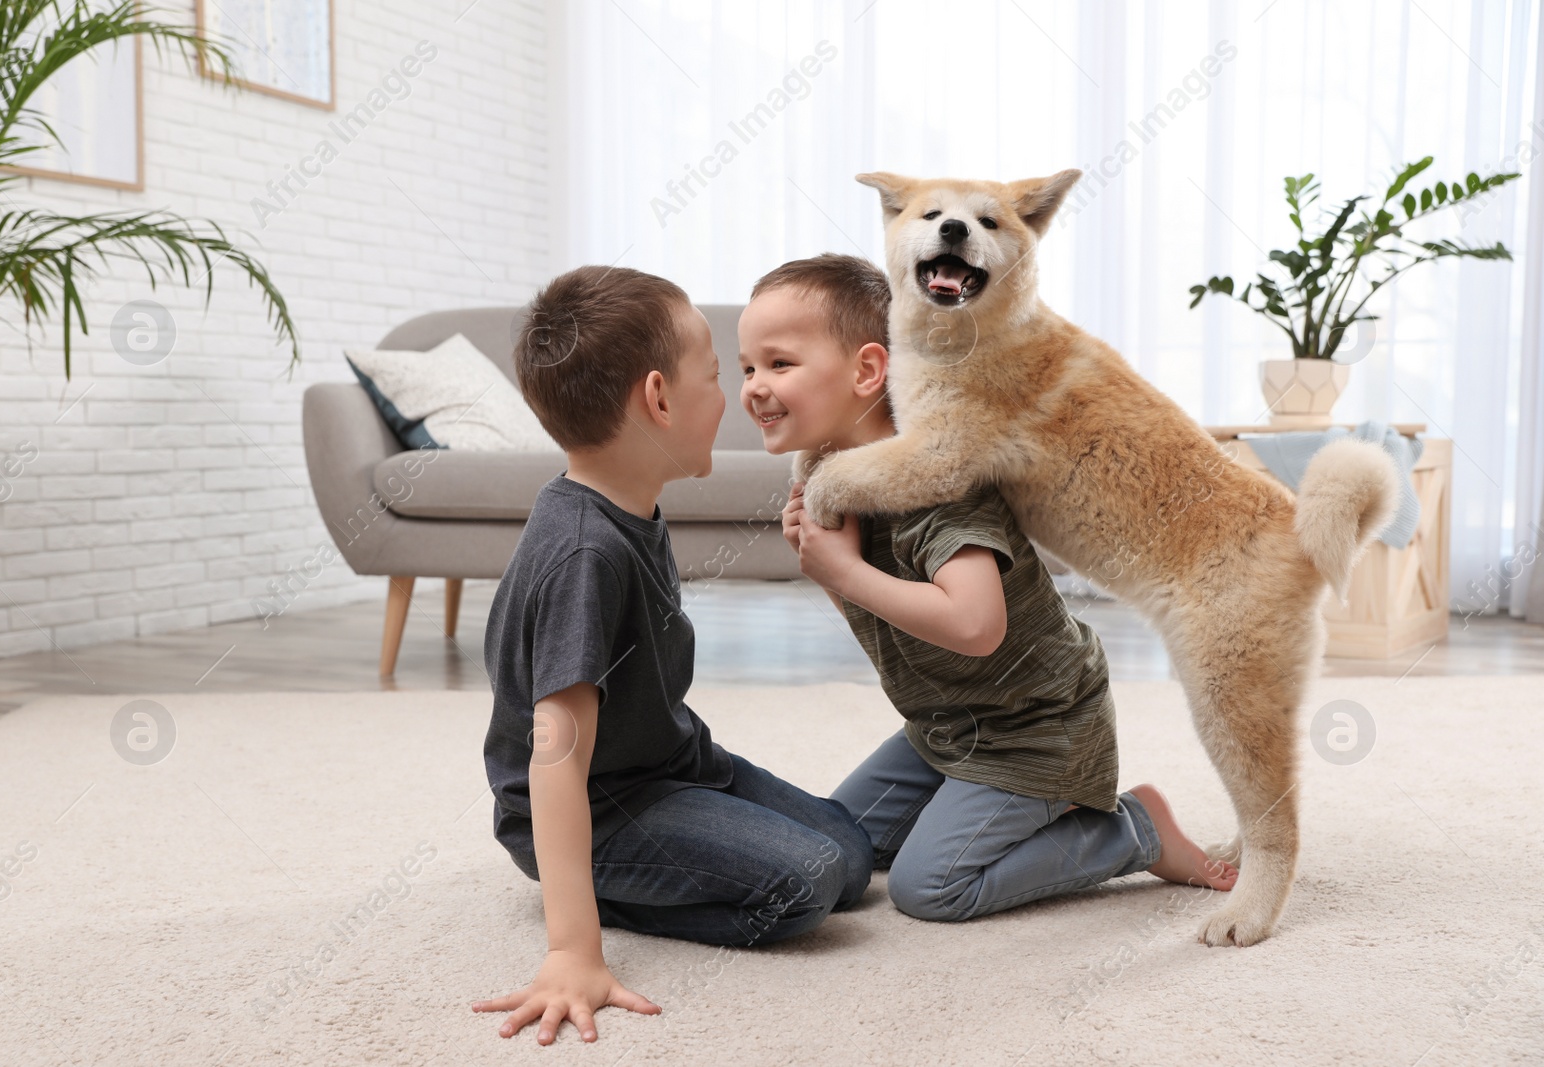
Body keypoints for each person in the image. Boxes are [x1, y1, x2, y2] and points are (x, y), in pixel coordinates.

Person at [737, 252, 1238, 925]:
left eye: (778, 364)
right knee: (837, 846)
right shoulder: (833, 479)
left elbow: (977, 624)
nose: (753, 387)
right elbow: (888, 626)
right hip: (946, 727)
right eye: (746, 369)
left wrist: (844, 570)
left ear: (866, 370)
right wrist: (830, 566)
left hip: (1036, 731)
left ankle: (1136, 830)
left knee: (928, 887)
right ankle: (965, 796)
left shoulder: (936, 480)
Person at [474, 265, 873, 1046]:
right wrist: (572, 947)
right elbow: (554, 757)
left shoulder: (632, 508)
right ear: (659, 398)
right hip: (599, 807)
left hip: (673, 763)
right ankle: (583, 887)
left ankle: (646, 867)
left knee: (851, 855)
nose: (735, 396)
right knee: (809, 882)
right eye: (719, 376)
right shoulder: (585, 552)